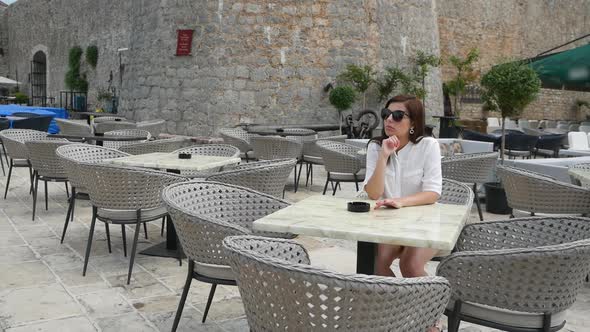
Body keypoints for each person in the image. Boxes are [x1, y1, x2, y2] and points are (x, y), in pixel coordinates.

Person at [362, 95, 442, 278]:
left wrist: (400, 202)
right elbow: (374, 194)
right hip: (390, 224)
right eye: (386, 113)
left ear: (413, 122)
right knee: (378, 265)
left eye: (398, 115)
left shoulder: (428, 146)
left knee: (410, 264)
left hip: (424, 222)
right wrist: (384, 156)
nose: (389, 119)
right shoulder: (376, 147)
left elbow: (433, 193)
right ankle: (395, 304)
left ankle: (432, 304)